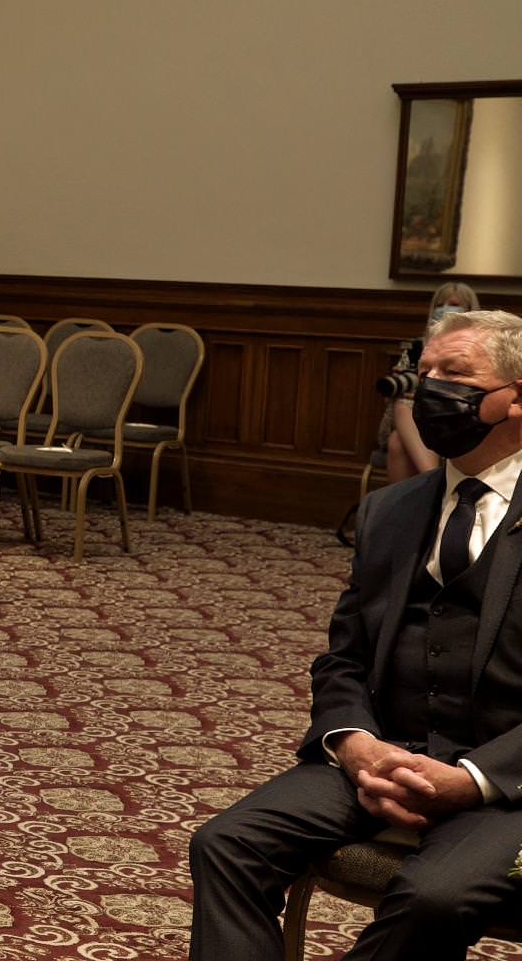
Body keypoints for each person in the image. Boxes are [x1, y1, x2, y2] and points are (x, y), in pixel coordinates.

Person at [188, 308, 522, 961]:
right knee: (226, 844)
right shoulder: (389, 510)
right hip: (388, 753)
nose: (429, 390)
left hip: (508, 784)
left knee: (434, 897)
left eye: (455, 374)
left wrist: (474, 778)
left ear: (515, 399)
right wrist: (354, 745)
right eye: (423, 372)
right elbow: (343, 659)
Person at [385, 281, 480, 482]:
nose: (445, 309)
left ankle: (429, 486)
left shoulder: (479, 348)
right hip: (415, 414)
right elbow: (400, 383)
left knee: (396, 442)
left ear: (469, 310)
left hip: (457, 413)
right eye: (440, 304)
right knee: (403, 405)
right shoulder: (417, 346)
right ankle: (433, 482)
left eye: (454, 304)